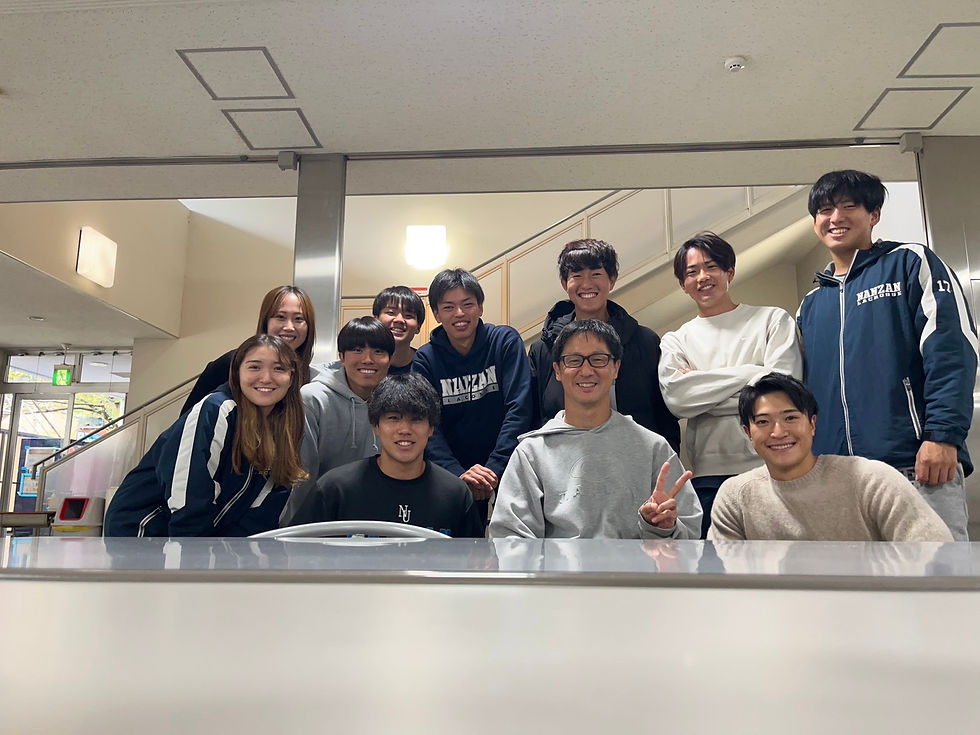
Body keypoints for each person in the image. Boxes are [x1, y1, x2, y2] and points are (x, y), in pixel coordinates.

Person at [797, 170, 978, 540]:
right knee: (852, 577)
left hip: (916, 467)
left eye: (849, 206)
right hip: (838, 480)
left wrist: (943, 436)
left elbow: (952, 351)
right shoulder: (810, 305)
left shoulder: (910, 263)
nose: (835, 217)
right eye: (825, 210)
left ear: (874, 215)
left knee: (937, 572)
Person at [489, 320, 701, 539]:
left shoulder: (653, 448)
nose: (587, 371)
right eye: (574, 360)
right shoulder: (532, 453)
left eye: (598, 360)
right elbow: (510, 539)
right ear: (558, 370)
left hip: (637, 563)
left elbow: (689, 536)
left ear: (616, 368)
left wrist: (662, 528)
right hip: (555, 563)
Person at [658, 232, 803, 538]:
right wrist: (754, 373)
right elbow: (678, 400)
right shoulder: (676, 340)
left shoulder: (772, 320)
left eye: (711, 267)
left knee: (782, 560)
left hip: (772, 467)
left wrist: (704, 395)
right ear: (683, 284)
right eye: (692, 272)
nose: (702, 277)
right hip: (708, 476)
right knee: (716, 562)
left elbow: (783, 392)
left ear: (730, 272)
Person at [708, 373, 953, 542]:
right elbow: (724, 578)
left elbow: (936, 554)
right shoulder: (735, 496)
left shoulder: (871, 480)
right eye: (763, 422)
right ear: (748, 433)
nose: (778, 432)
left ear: (812, 424)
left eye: (790, 418)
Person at [105, 334, 307, 537]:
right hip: (146, 531)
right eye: (254, 367)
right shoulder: (216, 409)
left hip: (205, 539)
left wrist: (239, 550)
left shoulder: (285, 428)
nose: (266, 378)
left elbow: (262, 513)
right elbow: (188, 496)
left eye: (279, 369)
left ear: (292, 377)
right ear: (237, 373)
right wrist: (194, 551)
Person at [284, 373, 484, 537]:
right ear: (375, 426)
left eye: (416, 419)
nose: (404, 429)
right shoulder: (335, 489)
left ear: (431, 428)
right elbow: (297, 553)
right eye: (393, 418)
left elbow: (472, 564)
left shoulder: (455, 494)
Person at [528, 238, 680, 452]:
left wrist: (667, 460)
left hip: (636, 460)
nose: (586, 284)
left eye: (596, 274)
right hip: (564, 462)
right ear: (564, 283)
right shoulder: (544, 349)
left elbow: (664, 416)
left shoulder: (644, 341)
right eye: (577, 275)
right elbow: (534, 417)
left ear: (612, 280)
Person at [412, 268, 533, 525]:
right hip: (451, 476)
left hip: (509, 468)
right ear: (436, 314)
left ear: (480, 307)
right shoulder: (425, 359)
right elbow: (426, 424)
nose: (459, 313)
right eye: (448, 307)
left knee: (512, 543)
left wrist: (493, 469)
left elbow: (519, 408)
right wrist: (457, 474)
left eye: (467, 304)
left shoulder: (504, 341)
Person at [279, 316, 394, 526]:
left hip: (376, 519)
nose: (368, 359)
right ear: (341, 356)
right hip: (320, 517)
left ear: (390, 359)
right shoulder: (312, 399)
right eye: (357, 350)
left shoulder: (395, 402)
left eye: (378, 351)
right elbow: (303, 474)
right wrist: (298, 528)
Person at [180, 285, 317, 414]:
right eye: (280, 317)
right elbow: (191, 418)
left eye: (298, 319)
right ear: (266, 321)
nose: (289, 327)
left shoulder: (311, 378)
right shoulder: (231, 363)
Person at [372, 285, 426, 375]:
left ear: (418, 327)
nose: (399, 320)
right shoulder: (363, 362)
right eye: (391, 313)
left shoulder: (426, 365)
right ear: (376, 320)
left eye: (408, 315)